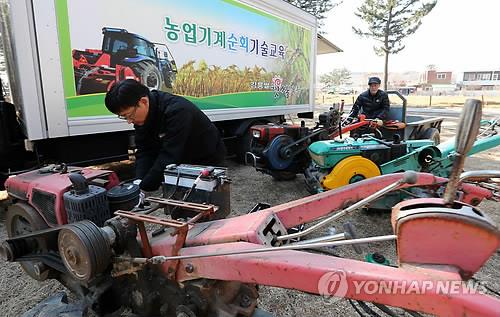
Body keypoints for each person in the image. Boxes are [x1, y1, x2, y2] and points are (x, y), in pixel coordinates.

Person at [105, 79, 226, 192]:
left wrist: (146, 186)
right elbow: (144, 150)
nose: (129, 121)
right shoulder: (141, 118)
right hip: (180, 158)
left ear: (143, 102)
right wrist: (139, 182)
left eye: (129, 115)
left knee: (203, 201)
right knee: (177, 200)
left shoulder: (177, 110)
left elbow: (170, 155)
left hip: (206, 157)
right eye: (124, 117)